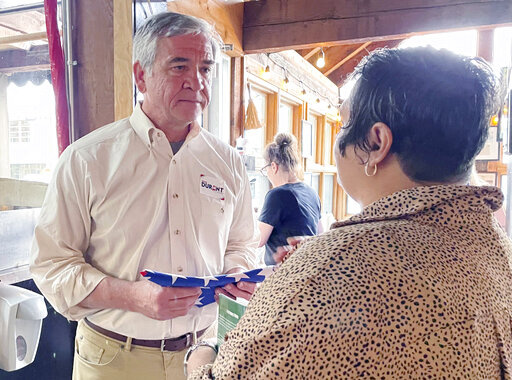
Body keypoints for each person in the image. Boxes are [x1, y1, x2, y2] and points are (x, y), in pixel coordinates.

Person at [186, 47, 512, 379]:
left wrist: (204, 351)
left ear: (376, 143)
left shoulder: (331, 267)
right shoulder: (500, 252)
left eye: (344, 123)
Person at [30, 12, 259, 380]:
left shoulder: (228, 162)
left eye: (205, 68)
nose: (196, 82)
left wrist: (236, 270)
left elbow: (242, 243)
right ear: (141, 76)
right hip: (113, 358)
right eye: (179, 66)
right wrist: (132, 296)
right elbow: (52, 266)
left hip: (207, 353)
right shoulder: (87, 159)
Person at [257, 132, 322, 265]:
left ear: (273, 167)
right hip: (308, 269)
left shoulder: (276, 195)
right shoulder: (311, 192)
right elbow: (320, 235)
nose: (267, 174)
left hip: (285, 273)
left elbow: (257, 240)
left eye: (265, 169)